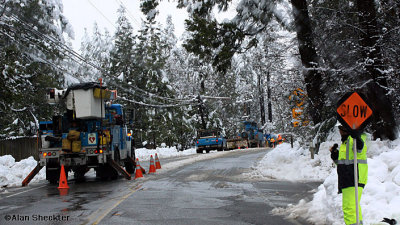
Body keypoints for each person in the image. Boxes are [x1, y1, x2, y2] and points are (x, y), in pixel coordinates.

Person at [330, 123, 368, 225]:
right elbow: (343, 162)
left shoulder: (354, 139)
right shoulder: (346, 142)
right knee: (354, 207)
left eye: (340, 128)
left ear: (345, 129)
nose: (339, 131)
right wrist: (335, 155)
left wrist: (357, 137)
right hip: (349, 177)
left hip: (353, 177)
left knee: (349, 208)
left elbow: (360, 149)